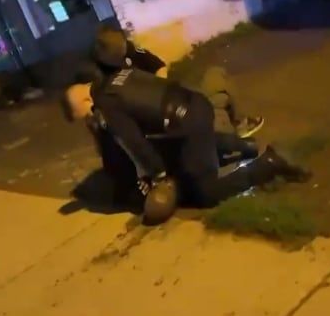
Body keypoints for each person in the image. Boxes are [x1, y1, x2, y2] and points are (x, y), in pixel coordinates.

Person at [62, 68, 311, 224]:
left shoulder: (107, 104)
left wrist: (158, 175)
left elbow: (134, 142)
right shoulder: (117, 77)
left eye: (81, 113)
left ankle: (267, 164)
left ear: (85, 98)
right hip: (194, 104)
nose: (87, 118)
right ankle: (244, 147)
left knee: (205, 193)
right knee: (187, 148)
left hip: (188, 123)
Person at [92, 24, 264, 138]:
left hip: (171, 97)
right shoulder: (105, 82)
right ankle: (223, 135)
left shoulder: (129, 50)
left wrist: (158, 88)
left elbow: (159, 66)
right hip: (167, 117)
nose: (124, 48)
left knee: (216, 75)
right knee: (209, 105)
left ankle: (238, 122)